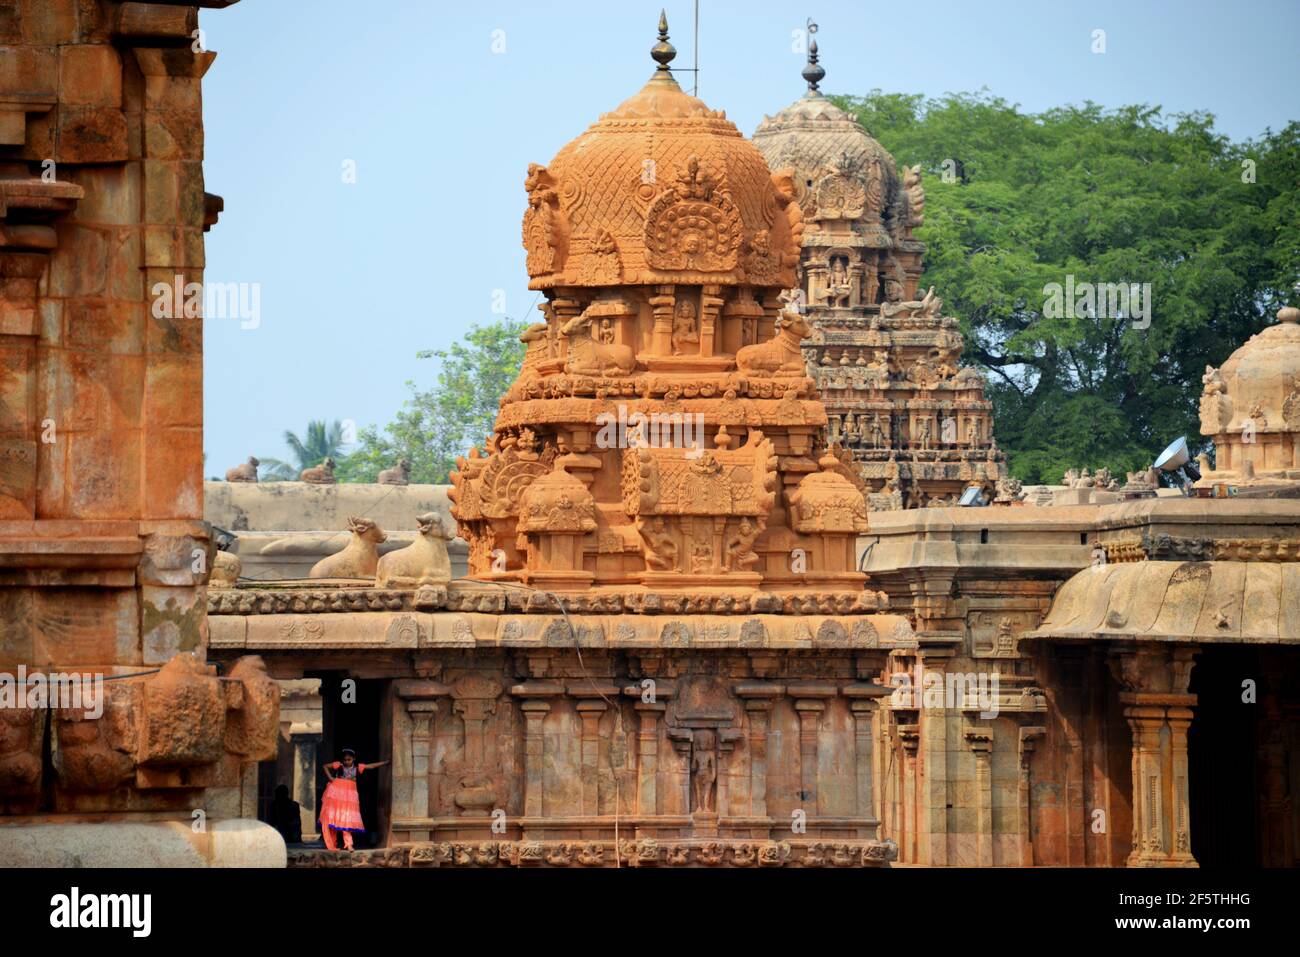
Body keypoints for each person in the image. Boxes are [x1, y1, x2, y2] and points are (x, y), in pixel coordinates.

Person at [319, 749, 388, 851]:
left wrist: (385, 762)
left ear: (354, 759)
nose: (347, 762)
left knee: (346, 819)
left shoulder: (357, 768)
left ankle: (349, 844)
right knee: (334, 817)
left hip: (350, 795)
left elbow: (371, 766)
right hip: (337, 793)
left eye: (349, 759)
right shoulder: (339, 765)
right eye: (345, 760)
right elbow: (325, 766)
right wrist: (331, 778)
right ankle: (332, 843)